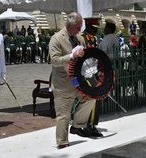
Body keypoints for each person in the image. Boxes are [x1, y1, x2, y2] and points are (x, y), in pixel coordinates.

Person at [49, 12, 95, 149]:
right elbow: (55, 60)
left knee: (90, 97)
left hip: (76, 80)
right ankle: (62, 142)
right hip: (62, 83)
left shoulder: (80, 38)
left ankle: (77, 126)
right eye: (78, 26)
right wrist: (71, 55)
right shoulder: (56, 39)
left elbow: (82, 59)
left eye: (81, 26)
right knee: (63, 114)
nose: (80, 29)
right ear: (69, 25)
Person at [81, 17, 103, 137]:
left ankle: (92, 124)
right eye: (93, 28)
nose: (95, 31)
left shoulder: (93, 38)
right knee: (94, 97)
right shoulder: (82, 38)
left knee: (97, 97)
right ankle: (88, 125)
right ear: (87, 26)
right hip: (83, 73)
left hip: (92, 71)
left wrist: (98, 70)